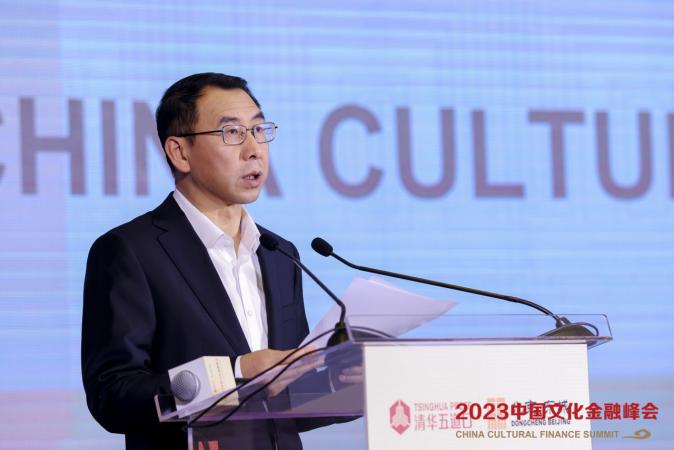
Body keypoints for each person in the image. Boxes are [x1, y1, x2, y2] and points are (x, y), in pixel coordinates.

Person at [82, 73, 325, 450]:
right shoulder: (130, 251)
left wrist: (345, 378)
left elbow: (288, 400)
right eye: (232, 133)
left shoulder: (279, 253)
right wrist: (236, 374)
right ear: (180, 152)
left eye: (259, 129)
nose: (254, 149)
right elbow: (112, 396)